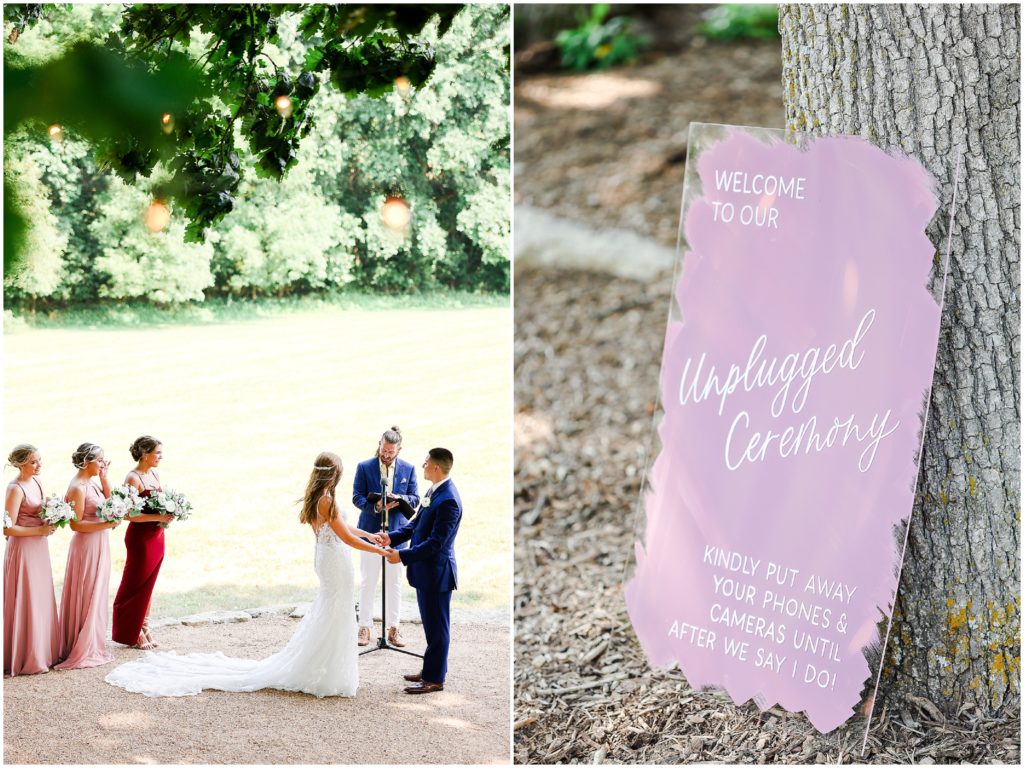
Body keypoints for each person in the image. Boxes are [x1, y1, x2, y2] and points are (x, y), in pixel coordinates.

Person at [105, 451, 391, 698]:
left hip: (329, 557)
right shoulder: (326, 500)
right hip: (335, 560)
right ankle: (325, 672)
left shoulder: (320, 496)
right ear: (335, 475)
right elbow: (346, 537)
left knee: (333, 609)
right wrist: (379, 552)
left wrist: (370, 534)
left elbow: (346, 528)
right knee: (335, 610)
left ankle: (328, 669)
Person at [382, 447, 462, 694]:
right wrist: (389, 538)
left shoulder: (448, 499)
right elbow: (416, 525)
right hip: (425, 572)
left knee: (438, 629)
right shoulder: (434, 491)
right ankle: (430, 670)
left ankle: (435, 679)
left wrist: (402, 556)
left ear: (436, 467)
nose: (422, 465)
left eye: (426, 463)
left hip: (437, 574)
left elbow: (436, 543)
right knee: (431, 626)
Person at [351, 426, 419, 648]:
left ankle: (393, 627)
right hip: (370, 532)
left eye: (391, 451)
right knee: (368, 580)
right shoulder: (364, 467)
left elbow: (416, 498)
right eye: (384, 449)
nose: (386, 454)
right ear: (379, 445)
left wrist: (399, 498)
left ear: (399, 449)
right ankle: (365, 626)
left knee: (394, 582)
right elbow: (357, 498)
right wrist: (377, 505)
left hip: (396, 534)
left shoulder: (408, 469)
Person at [55, 443, 119, 670]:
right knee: (87, 592)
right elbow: (75, 524)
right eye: (100, 460)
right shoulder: (78, 488)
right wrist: (108, 523)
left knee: (97, 591)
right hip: (87, 546)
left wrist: (104, 477)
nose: (103, 463)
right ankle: (80, 645)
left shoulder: (92, 483)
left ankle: (93, 641)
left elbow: (111, 503)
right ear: (86, 462)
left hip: (100, 542)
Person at [111, 436, 173, 650]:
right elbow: (126, 514)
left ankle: (144, 625)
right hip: (140, 538)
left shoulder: (154, 473)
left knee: (149, 585)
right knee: (134, 584)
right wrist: (157, 518)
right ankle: (131, 630)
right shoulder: (132, 478)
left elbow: (160, 502)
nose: (161, 457)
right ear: (145, 454)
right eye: (157, 453)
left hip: (157, 536)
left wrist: (170, 512)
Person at [3, 444, 59, 676]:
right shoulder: (15, 489)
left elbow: (40, 511)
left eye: (39, 460)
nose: (39, 465)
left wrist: (53, 518)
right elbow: (7, 529)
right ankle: (26, 655)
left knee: (40, 596)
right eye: (34, 462)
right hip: (24, 549)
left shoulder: (36, 482)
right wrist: (39, 531)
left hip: (39, 547)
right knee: (27, 597)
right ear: (21, 464)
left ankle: (43, 651)